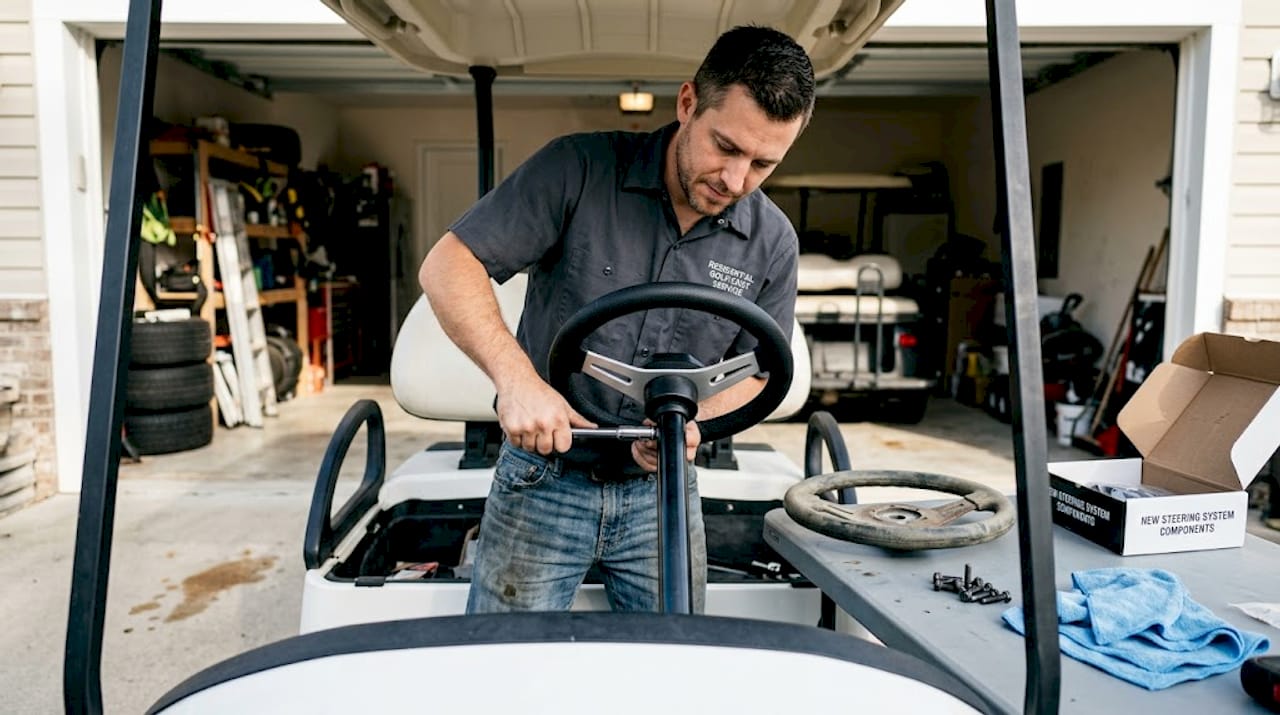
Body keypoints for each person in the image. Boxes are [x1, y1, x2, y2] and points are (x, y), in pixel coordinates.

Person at [419, 24, 814, 614]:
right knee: (502, 665)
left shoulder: (773, 240)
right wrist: (517, 381)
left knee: (675, 671)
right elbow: (448, 266)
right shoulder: (578, 168)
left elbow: (758, 374)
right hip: (544, 480)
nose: (736, 181)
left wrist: (690, 422)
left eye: (763, 163)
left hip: (664, 491)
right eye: (726, 148)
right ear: (687, 105)